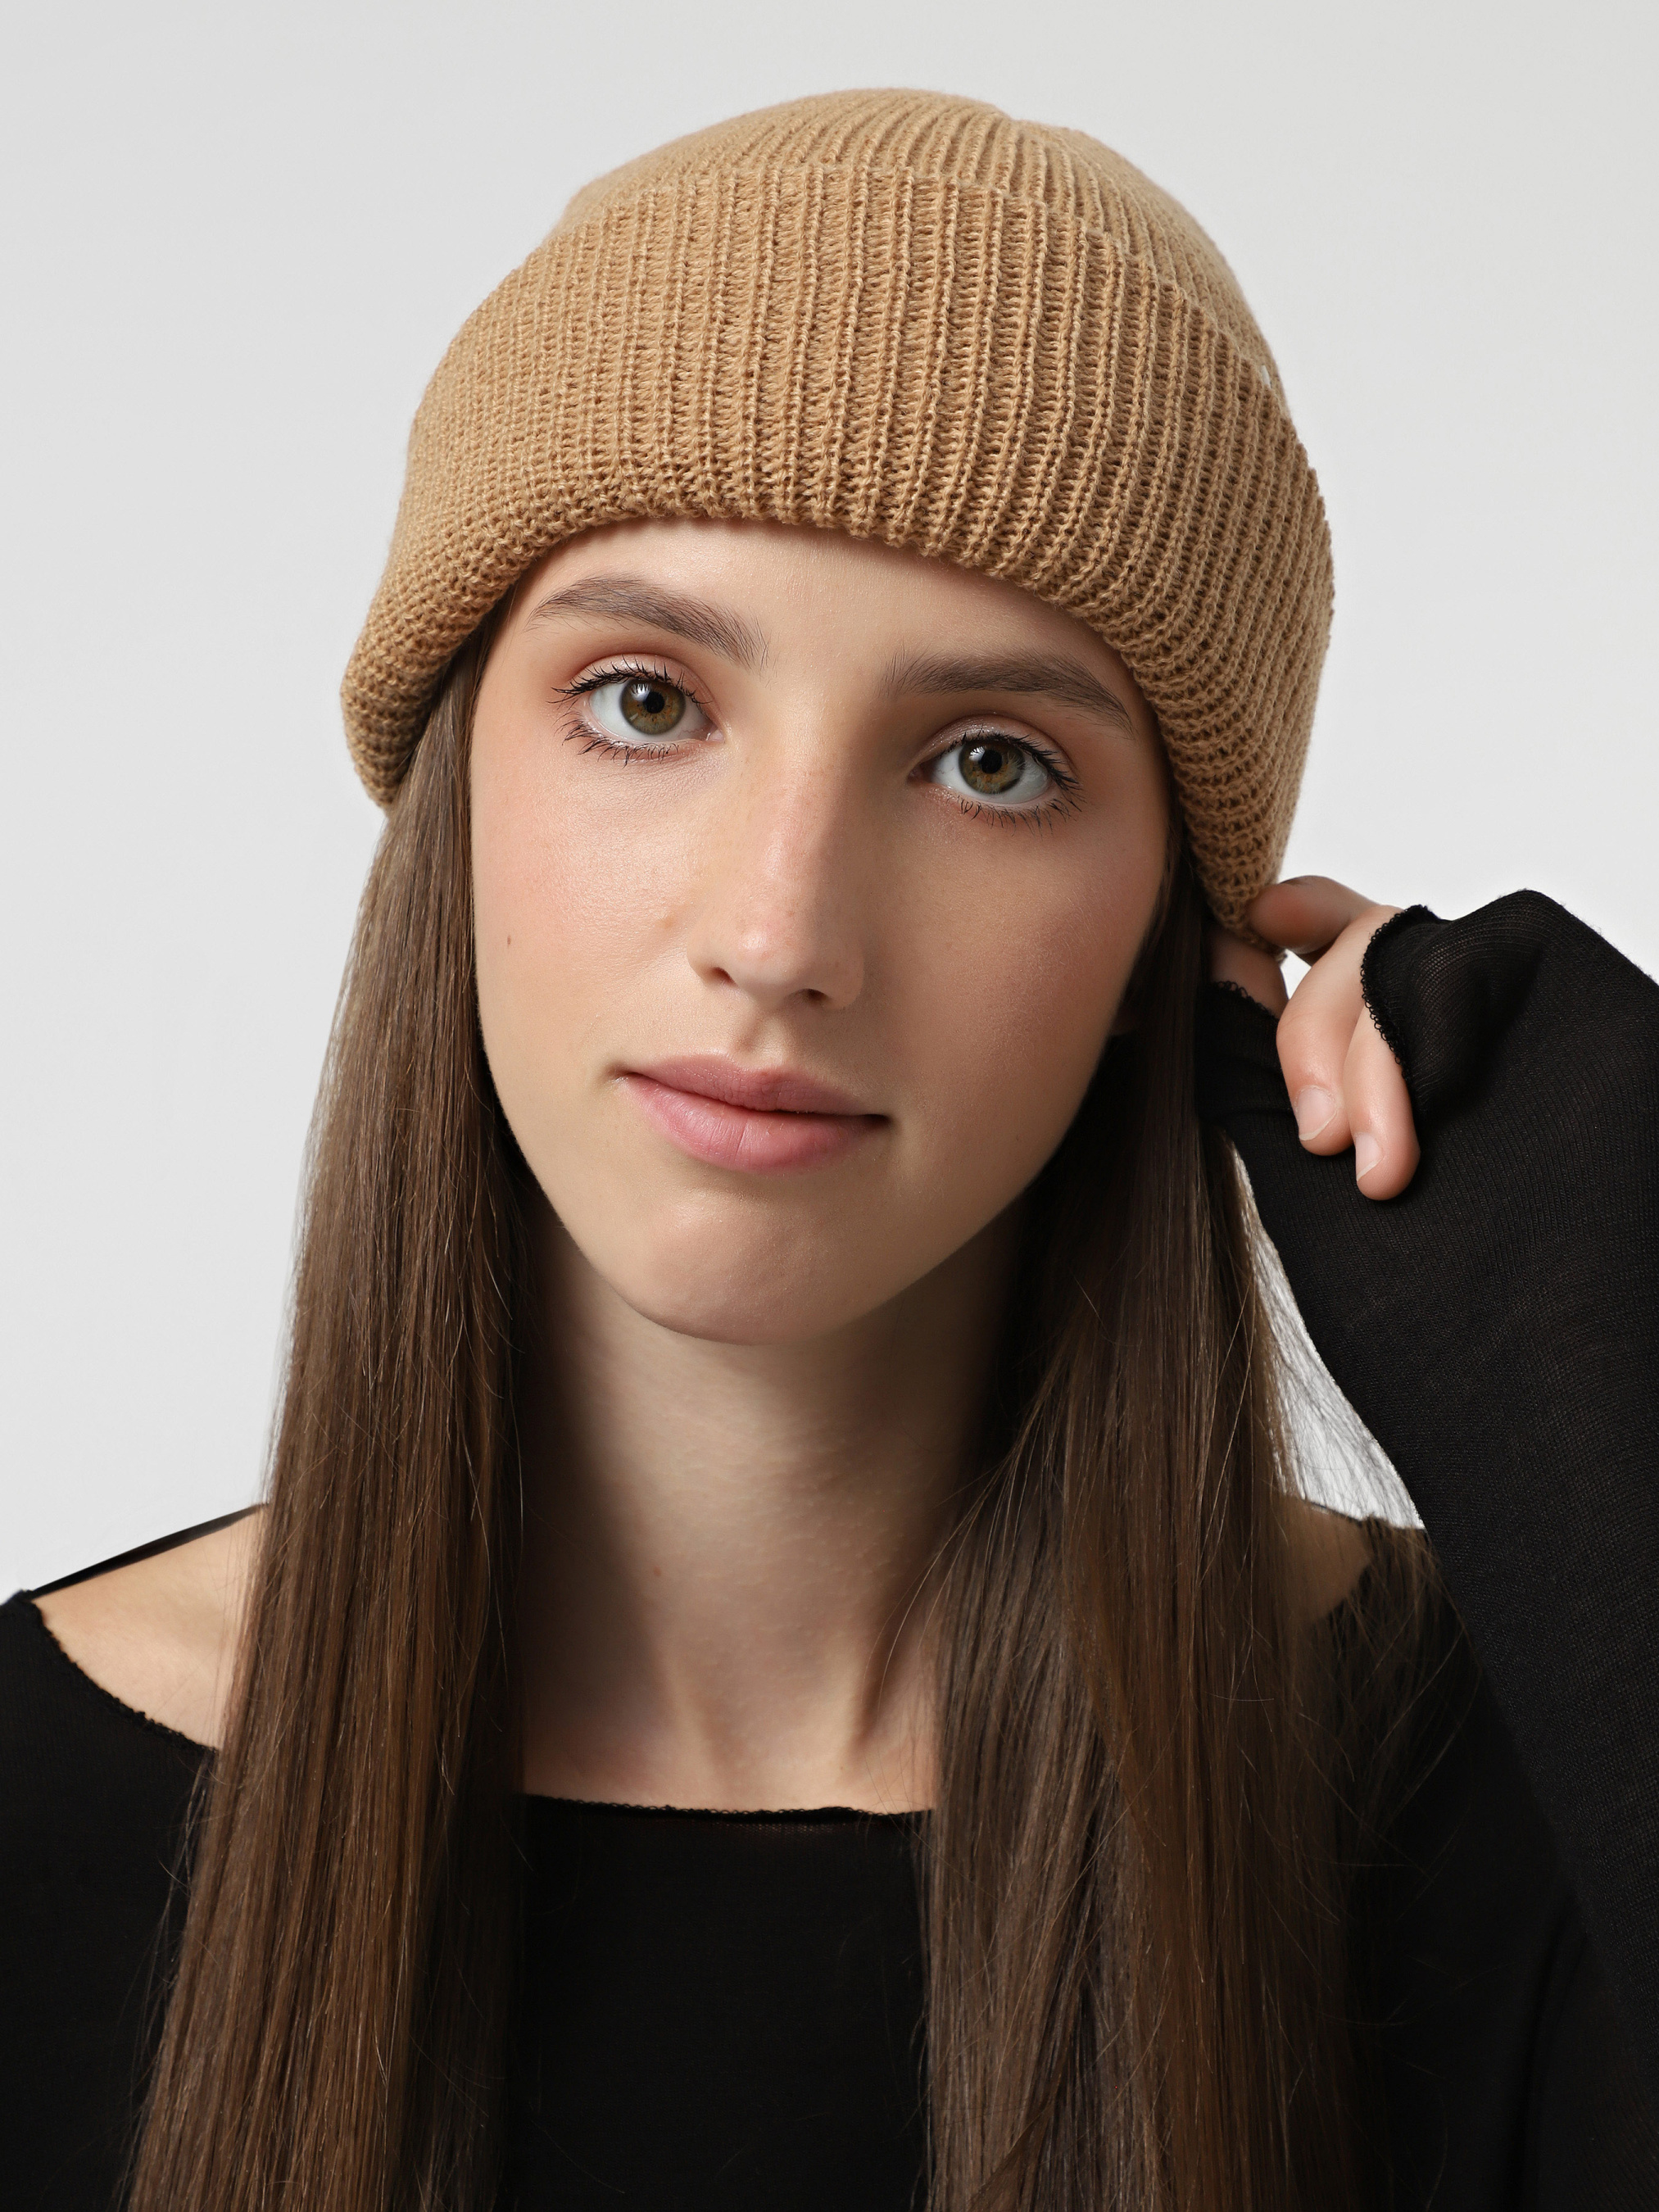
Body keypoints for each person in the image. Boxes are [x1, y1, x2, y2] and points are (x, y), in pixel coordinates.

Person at [2, 88, 1655, 2212]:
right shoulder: (31, 1820)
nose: (780, 935)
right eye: (647, 701)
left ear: (1173, 936)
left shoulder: (1529, 1789)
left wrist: (1607, 1350)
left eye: (991, 763)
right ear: (455, 787)